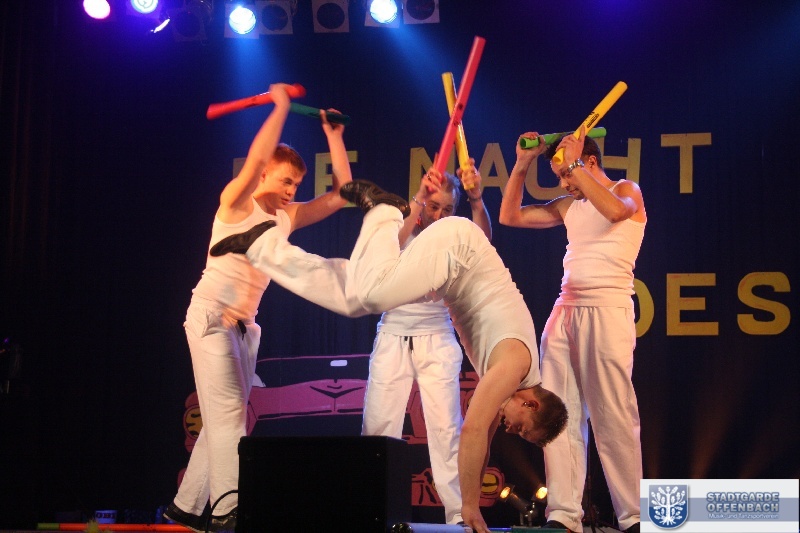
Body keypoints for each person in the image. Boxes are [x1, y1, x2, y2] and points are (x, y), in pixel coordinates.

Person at [209, 179, 569, 533]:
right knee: (372, 294)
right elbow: (473, 429)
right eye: (522, 427)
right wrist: (471, 507)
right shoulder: (514, 365)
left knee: (354, 296)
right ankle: (384, 210)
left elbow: (483, 444)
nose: (511, 430)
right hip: (459, 252)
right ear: (532, 403)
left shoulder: (514, 381)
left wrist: (469, 506)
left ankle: (262, 247)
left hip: (452, 273)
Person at [164, 83, 353, 533]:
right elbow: (255, 158)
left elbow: (344, 194)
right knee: (230, 415)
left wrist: (334, 136)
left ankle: (186, 508)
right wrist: (281, 108)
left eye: (296, 184)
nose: (291, 190)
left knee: (222, 418)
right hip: (211, 318)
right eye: (285, 180)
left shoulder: (286, 217)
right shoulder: (235, 204)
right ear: (265, 173)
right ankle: (228, 510)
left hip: (244, 329)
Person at [498, 128, 646, 533]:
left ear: (590, 162)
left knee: (613, 414)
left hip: (608, 310)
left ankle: (634, 516)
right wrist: (522, 164)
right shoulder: (569, 205)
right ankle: (563, 514)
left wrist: (574, 165)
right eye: (561, 176)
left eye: (565, 174)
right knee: (559, 412)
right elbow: (510, 216)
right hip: (565, 312)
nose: (564, 184)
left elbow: (615, 212)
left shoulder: (625, 190)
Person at [361, 163, 490, 526]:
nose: (439, 215)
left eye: (447, 209)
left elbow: (483, 244)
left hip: (437, 337)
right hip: (393, 335)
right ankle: (372, 513)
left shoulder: (453, 237)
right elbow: (389, 248)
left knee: (446, 431)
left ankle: (458, 516)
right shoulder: (403, 225)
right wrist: (419, 200)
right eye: (434, 207)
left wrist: (476, 201)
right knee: (378, 428)